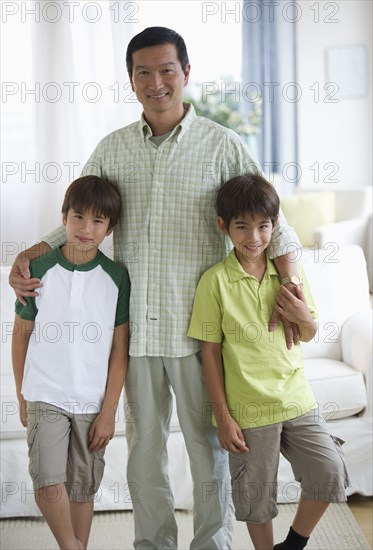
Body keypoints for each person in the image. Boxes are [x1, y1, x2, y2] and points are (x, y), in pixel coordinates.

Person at [9, 27, 304, 549]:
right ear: (131, 80)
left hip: (202, 335)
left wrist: (293, 288)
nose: (155, 81)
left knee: (208, 451)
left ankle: (214, 544)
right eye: (143, 72)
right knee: (144, 456)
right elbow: (79, 218)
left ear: (186, 74)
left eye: (166, 70)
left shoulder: (223, 145)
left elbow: (274, 225)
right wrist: (26, 256)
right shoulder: (113, 148)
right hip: (138, 334)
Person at [187, 173, 349, 550]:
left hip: (296, 398)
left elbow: (308, 332)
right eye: (242, 227)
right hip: (248, 409)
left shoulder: (289, 275)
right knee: (255, 499)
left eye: (263, 227)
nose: (254, 238)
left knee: (329, 471)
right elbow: (208, 353)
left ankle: (291, 546)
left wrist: (304, 316)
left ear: (276, 226)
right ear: (223, 226)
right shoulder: (215, 281)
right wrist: (224, 416)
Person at [12, 175, 130, 550]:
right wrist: (21, 395)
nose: (86, 229)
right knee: (47, 478)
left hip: (91, 399)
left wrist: (109, 410)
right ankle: (70, 546)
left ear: (110, 228)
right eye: (78, 217)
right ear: (63, 218)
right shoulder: (39, 269)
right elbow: (21, 336)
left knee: (83, 485)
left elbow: (119, 348)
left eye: (98, 221)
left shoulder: (116, 278)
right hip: (44, 392)